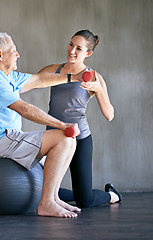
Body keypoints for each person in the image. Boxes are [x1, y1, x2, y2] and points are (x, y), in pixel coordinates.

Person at [0, 32, 82, 218]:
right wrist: (62, 124)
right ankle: (45, 204)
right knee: (62, 138)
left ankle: (53, 198)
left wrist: (73, 78)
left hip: (8, 137)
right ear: (0, 55)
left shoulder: (8, 76)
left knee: (69, 140)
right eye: (13, 50)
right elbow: (24, 109)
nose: (18, 54)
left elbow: (39, 80)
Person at [38, 30, 122, 208]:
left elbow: (110, 115)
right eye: (70, 44)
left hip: (79, 138)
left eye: (79, 48)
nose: (72, 51)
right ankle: (69, 195)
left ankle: (112, 195)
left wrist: (98, 89)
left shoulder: (94, 77)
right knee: (41, 189)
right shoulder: (54, 70)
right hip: (52, 137)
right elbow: (30, 81)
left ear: (88, 53)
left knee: (85, 200)